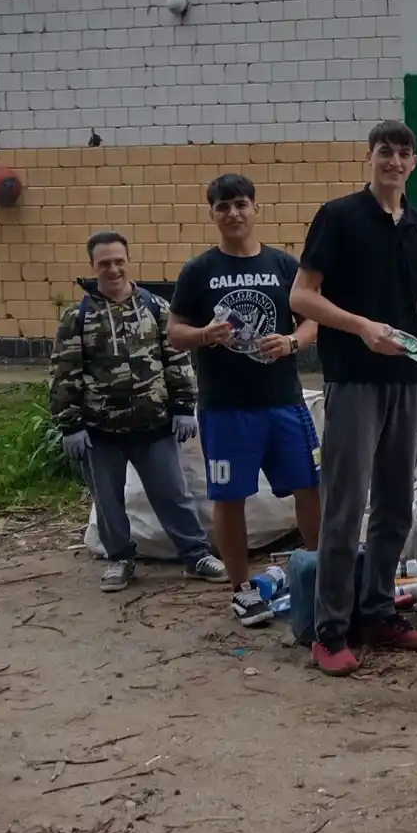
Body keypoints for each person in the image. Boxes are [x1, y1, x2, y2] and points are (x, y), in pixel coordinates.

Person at [290, 122, 417, 676]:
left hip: (408, 381)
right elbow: (301, 295)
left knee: (396, 502)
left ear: (413, 163)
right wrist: (360, 327)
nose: (395, 160)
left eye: (405, 152)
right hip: (354, 378)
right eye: (386, 151)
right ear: (370, 158)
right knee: (344, 504)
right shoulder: (338, 217)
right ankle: (330, 629)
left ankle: (379, 610)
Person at [167, 173, 322, 624]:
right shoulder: (198, 271)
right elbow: (174, 332)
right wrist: (204, 334)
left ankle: (315, 573)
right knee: (230, 497)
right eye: (223, 207)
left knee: (309, 489)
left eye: (240, 204)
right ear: (212, 214)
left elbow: (312, 321)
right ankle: (241, 589)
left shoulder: (283, 265)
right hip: (226, 407)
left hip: (284, 401)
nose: (233, 213)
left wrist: (291, 342)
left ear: (256, 209)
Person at [49, 231, 227, 592]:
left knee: (173, 494)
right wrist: (70, 426)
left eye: (118, 261)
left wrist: (182, 407)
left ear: (128, 261)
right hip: (100, 432)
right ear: (92, 267)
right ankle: (119, 559)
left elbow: (176, 358)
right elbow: (64, 373)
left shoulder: (156, 308)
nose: (113, 269)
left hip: (155, 425)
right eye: (104, 264)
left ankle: (195, 555)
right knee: (108, 501)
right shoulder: (77, 317)